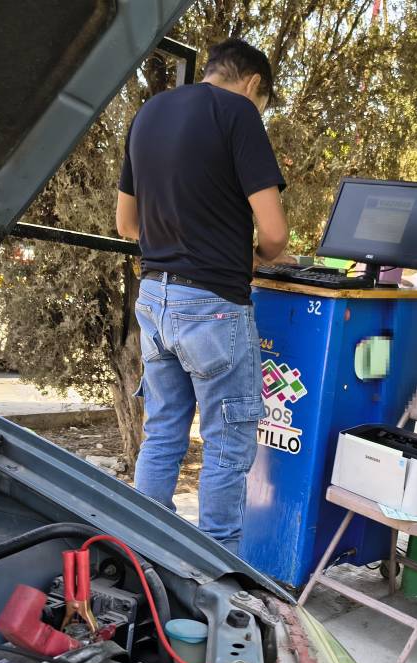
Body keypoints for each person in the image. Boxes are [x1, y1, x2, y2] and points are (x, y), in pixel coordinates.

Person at [116, 39, 290, 553]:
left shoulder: (148, 113)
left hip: (154, 300)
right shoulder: (239, 113)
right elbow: (276, 235)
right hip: (213, 306)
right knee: (226, 448)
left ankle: (142, 553)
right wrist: (252, 257)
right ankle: (218, 573)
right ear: (254, 84)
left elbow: (126, 223)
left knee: (164, 432)